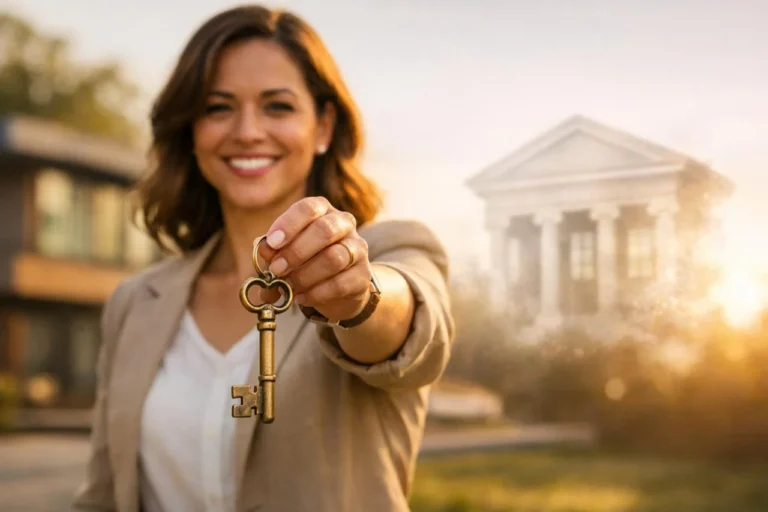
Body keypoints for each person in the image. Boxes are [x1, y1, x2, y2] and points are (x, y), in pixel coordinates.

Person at [71, 4, 455, 512]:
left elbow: (411, 329)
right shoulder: (135, 302)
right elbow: (102, 495)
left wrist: (358, 298)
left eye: (277, 106)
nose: (248, 131)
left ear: (323, 127)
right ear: (190, 129)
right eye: (217, 107)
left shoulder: (392, 251)